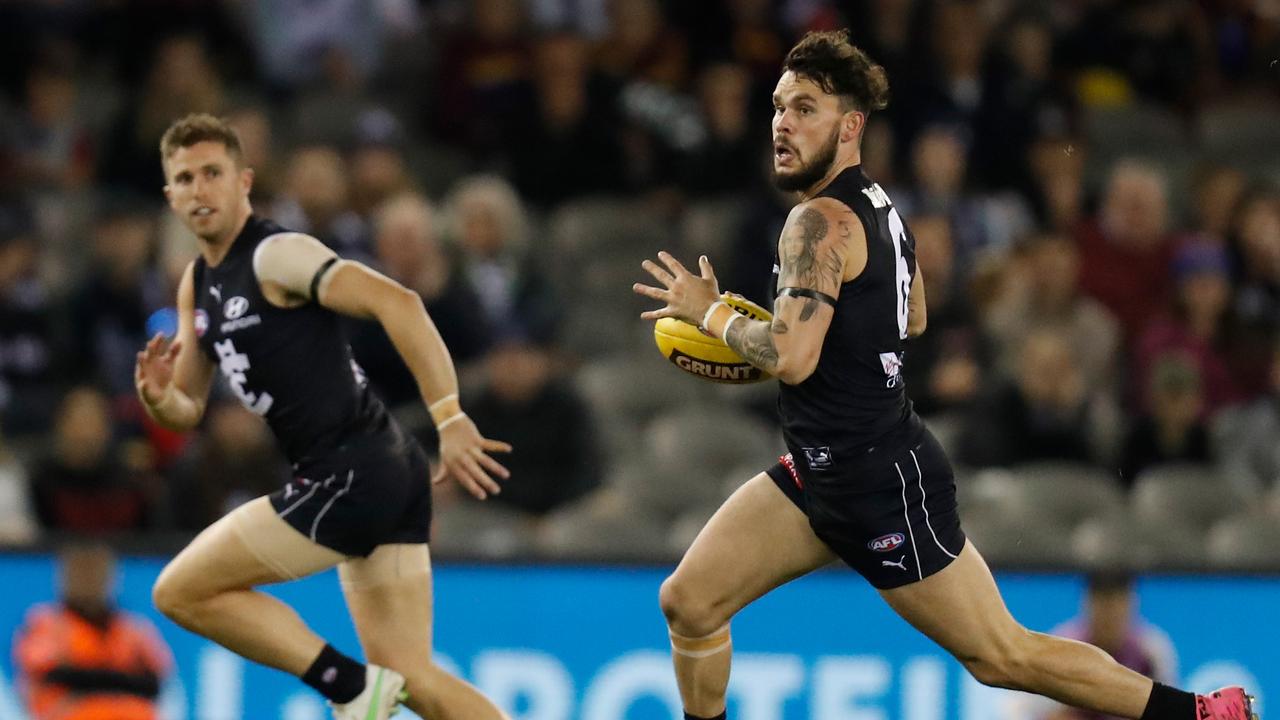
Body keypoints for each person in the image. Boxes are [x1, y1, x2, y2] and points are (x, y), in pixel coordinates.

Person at [632, 30, 1254, 720]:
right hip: (820, 475)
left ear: (850, 126)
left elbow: (796, 356)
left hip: (878, 484)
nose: (782, 122)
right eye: (779, 106)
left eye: (805, 107)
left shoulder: (819, 222)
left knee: (1003, 656)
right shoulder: (879, 207)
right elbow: (914, 314)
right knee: (689, 601)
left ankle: (1198, 713)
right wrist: (825, 344)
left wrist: (714, 315)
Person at [134, 113, 512, 720]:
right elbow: (188, 408)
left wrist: (450, 416)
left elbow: (399, 302)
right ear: (170, 195)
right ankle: (365, 687)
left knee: (179, 590)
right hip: (381, 469)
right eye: (185, 178)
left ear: (244, 182)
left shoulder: (276, 254)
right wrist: (158, 399)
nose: (200, 189)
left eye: (213, 173)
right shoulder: (197, 284)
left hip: (352, 473)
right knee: (412, 678)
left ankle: (349, 686)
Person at [13, 542, 173, 720]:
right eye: (81, 574)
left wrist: (94, 677)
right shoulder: (48, 624)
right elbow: (52, 676)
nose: (89, 581)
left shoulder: (133, 628)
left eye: (96, 574)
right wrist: (117, 679)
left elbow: (154, 683)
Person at [1027, 572, 1180, 720]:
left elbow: (1168, 712)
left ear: (1131, 603)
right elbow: (1042, 714)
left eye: (1117, 603)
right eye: (1102, 603)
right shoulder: (1063, 647)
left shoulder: (1152, 649)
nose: (1109, 614)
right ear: (1087, 603)